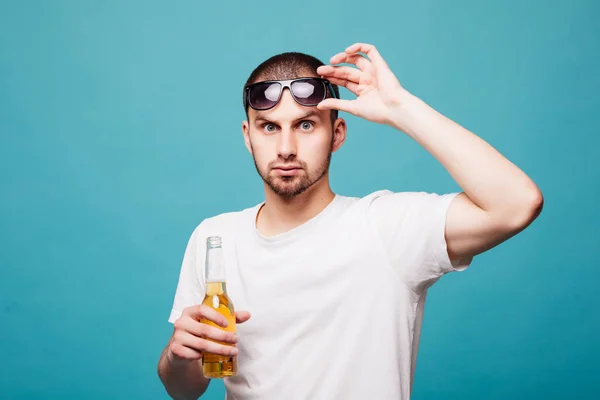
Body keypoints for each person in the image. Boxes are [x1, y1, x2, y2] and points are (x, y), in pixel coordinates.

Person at [157, 43, 543, 400]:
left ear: (336, 133)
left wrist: (399, 108)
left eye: (306, 125)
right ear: (248, 136)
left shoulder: (388, 228)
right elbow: (183, 391)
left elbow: (517, 204)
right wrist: (179, 357)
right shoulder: (215, 238)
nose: (286, 148)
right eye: (269, 127)